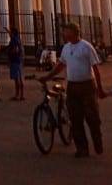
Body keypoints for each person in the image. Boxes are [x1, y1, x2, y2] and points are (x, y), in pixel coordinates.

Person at [40, 22, 106, 158]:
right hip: (73, 86)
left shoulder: (86, 47)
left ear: (74, 32)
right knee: (75, 118)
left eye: (66, 31)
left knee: (92, 117)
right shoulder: (66, 48)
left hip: (88, 85)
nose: (64, 34)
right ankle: (82, 148)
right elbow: (61, 65)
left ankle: (97, 143)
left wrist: (99, 89)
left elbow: (96, 69)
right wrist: (47, 77)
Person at [7, 27, 25, 101]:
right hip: (19, 60)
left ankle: (17, 95)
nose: (9, 34)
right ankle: (21, 95)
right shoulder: (18, 39)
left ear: (13, 33)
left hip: (15, 60)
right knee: (20, 78)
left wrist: (9, 52)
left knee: (17, 79)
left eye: (10, 32)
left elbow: (15, 49)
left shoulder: (14, 40)